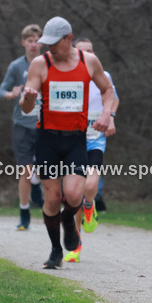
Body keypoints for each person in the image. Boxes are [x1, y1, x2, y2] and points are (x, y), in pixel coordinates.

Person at [20, 17, 116, 269]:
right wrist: (28, 98)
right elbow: (26, 104)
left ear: (68, 38)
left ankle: (68, 225)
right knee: (52, 198)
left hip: (75, 138)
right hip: (48, 140)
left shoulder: (88, 61)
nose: (49, 47)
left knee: (74, 193)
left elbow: (107, 90)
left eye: (54, 43)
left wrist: (107, 113)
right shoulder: (41, 64)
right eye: (46, 43)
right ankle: (55, 251)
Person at [65, 37, 119, 261]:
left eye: (90, 51)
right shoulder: (67, 77)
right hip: (72, 139)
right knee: (73, 195)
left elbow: (114, 98)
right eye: (81, 51)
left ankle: (90, 205)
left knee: (90, 183)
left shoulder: (103, 76)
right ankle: (76, 246)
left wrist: (111, 118)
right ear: (74, 53)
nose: (87, 55)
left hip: (95, 138)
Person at [0, 24, 44, 230]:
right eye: (30, 41)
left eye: (37, 40)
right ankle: (24, 214)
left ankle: (37, 186)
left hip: (44, 125)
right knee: (25, 171)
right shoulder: (16, 66)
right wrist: (12, 93)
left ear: (42, 42)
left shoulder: (48, 65)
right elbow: (1, 91)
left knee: (44, 171)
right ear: (24, 42)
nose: (34, 45)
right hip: (22, 126)